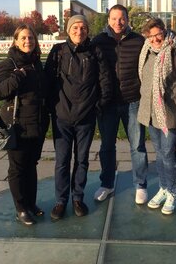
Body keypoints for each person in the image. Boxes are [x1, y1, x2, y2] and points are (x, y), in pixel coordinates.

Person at [44, 15, 112, 220]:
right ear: (68, 29)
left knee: (82, 160)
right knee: (62, 161)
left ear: (87, 30)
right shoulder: (58, 52)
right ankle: (60, 200)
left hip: (86, 118)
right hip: (62, 117)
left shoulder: (95, 51)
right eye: (75, 27)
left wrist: (98, 106)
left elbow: (105, 81)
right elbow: (47, 81)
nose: (79, 31)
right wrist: (51, 107)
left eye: (83, 27)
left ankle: (77, 198)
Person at [0, 24, 48, 226]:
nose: (27, 41)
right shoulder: (8, 64)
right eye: (23, 38)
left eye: (31, 38)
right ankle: (21, 208)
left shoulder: (36, 63)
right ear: (15, 41)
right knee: (17, 169)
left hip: (37, 124)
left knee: (31, 166)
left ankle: (31, 204)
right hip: (17, 126)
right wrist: (16, 76)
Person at [92, 4, 148, 204]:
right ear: (108, 20)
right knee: (107, 146)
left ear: (127, 19)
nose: (118, 22)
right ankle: (106, 184)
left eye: (121, 18)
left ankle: (140, 184)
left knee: (137, 145)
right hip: (107, 103)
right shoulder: (98, 41)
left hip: (132, 100)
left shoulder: (138, 41)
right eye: (114, 18)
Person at [138, 18, 176, 215]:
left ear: (165, 32)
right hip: (151, 113)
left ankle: (173, 191)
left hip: (170, 113)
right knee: (159, 154)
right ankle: (163, 188)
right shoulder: (146, 52)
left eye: (158, 34)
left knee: (168, 154)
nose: (155, 39)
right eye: (150, 36)